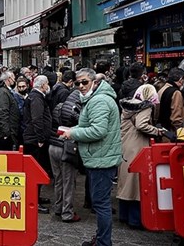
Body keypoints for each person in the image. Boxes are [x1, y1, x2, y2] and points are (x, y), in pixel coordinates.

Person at [59, 68, 122, 246]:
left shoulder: (99, 101)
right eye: (78, 83)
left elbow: (98, 131)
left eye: (85, 82)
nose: (81, 86)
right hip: (100, 156)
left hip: (101, 158)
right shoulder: (96, 99)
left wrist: (73, 133)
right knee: (100, 203)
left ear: (94, 82)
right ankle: (101, 239)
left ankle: (103, 242)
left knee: (101, 204)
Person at [117, 84, 164, 230]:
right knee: (137, 184)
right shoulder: (145, 106)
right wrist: (156, 131)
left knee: (126, 182)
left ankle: (123, 215)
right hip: (137, 146)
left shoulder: (128, 105)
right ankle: (135, 219)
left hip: (125, 145)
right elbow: (141, 125)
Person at [22, 75, 53, 214]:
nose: (48, 87)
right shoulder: (36, 98)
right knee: (36, 169)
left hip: (34, 137)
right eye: (47, 84)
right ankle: (33, 199)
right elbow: (37, 119)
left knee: (38, 169)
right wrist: (40, 138)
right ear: (43, 85)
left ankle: (37, 197)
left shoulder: (36, 96)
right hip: (34, 139)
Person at [0, 71, 20, 150]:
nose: (14, 80)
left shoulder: (3, 91)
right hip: (2, 134)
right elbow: (2, 113)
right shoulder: (3, 92)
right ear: (9, 79)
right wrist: (6, 133)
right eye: (13, 78)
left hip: (3, 132)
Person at [156, 68, 184, 133]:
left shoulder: (162, 89)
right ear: (181, 80)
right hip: (171, 132)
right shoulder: (176, 93)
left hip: (162, 129)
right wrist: (179, 132)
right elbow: (176, 117)